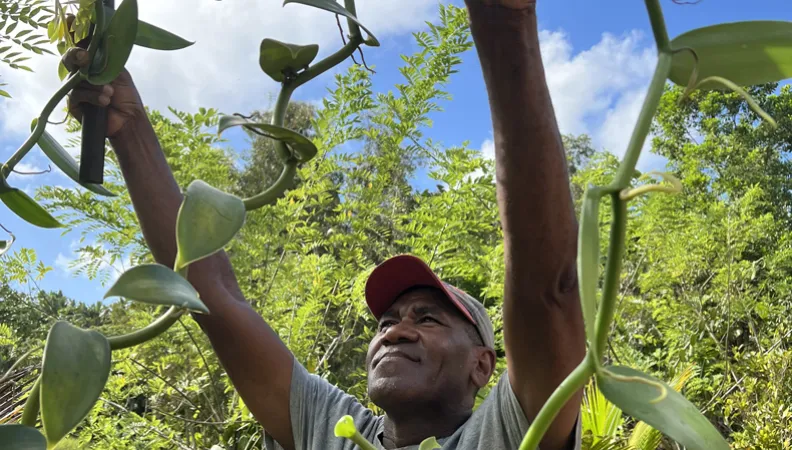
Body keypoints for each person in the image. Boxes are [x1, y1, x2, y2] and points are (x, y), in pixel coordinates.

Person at [63, 0, 585, 448]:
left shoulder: (506, 433)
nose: (395, 331)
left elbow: (547, 291)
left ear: (482, 366)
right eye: (385, 323)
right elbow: (213, 294)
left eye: (428, 320)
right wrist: (128, 128)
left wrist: (503, 21)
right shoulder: (327, 428)